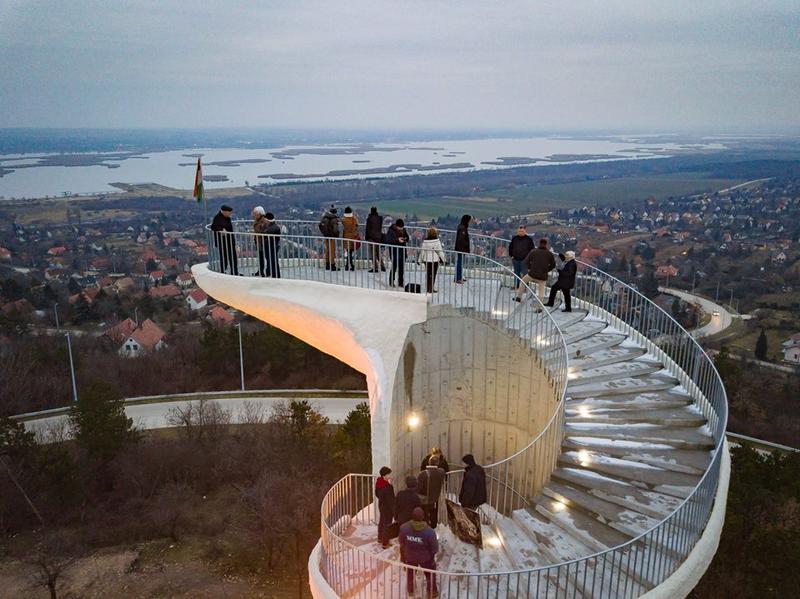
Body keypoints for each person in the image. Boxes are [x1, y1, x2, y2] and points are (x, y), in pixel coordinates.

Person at [398, 507, 439, 598]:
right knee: (430, 574)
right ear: (423, 517)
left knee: (410, 573)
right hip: (426, 558)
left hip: (410, 557)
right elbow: (435, 549)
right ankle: (432, 591)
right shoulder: (430, 532)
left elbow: (401, 542)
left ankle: (410, 589)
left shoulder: (404, 528)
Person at [515, 238, 556, 311]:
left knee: (523, 281)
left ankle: (519, 297)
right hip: (543, 276)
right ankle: (539, 307)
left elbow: (526, 261)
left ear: (539, 243)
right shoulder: (550, 254)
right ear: (546, 244)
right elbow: (553, 265)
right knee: (541, 291)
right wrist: (547, 270)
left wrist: (530, 268)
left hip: (532, 274)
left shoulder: (533, 251)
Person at [416, 455, 445, 528]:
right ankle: (433, 531)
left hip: (425, 500)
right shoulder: (441, 472)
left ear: (429, 463)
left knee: (425, 518)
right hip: (435, 500)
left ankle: (425, 532)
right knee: (433, 517)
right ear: (437, 463)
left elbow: (417, 489)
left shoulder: (423, 474)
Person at [211, 204, 238, 275]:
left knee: (233, 258)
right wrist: (221, 229)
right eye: (229, 213)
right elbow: (213, 227)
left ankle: (235, 272)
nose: (230, 214)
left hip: (230, 241)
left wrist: (234, 243)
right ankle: (223, 272)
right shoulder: (217, 218)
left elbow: (231, 230)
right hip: (222, 242)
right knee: (224, 258)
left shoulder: (228, 218)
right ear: (225, 212)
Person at [417, 228, 446, 293]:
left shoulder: (425, 241)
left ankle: (428, 288)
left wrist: (419, 260)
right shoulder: (437, 241)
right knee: (433, 274)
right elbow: (440, 252)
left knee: (428, 274)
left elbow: (422, 251)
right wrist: (444, 260)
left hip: (426, 260)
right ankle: (431, 288)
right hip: (435, 260)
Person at [375, 466, 395, 549]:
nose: (390, 475)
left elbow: (377, 494)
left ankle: (380, 538)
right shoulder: (388, 487)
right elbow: (391, 500)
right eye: (389, 474)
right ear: (385, 475)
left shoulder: (378, 483)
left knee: (382, 521)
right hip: (387, 508)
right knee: (387, 524)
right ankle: (385, 542)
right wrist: (394, 510)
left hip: (381, 505)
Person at [385, 218, 408, 288]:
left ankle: (400, 282)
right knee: (394, 267)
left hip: (402, 251)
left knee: (401, 268)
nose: (401, 229)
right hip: (394, 252)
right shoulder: (391, 231)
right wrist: (397, 240)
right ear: (397, 226)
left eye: (402, 227)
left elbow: (407, 237)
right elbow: (388, 240)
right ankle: (391, 282)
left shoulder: (404, 230)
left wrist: (406, 239)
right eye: (400, 227)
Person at [319, 205, 340, 271]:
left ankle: (327, 265)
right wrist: (337, 235)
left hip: (326, 236)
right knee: (332, 251)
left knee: (327, 250)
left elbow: (320, 225)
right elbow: (335, 230)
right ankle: (332, 265)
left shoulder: (325, 217)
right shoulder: (334, 219)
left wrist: (324, 233)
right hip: (332, 237)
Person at [365, 206, 386, 272]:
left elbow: (368, 229)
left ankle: (375, 268)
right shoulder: (380, 218)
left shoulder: (369, 219)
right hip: (378, 237)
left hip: (371, 238)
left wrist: (367, 237)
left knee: (373, 254)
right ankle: (382, 266)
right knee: (378, 253)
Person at [454, 214, 472, 284]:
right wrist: (465, 247)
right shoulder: (462, 228)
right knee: (460, 263)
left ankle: (459, 277)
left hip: (460, 249)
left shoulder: (462, 227)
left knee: (460, 263)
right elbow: (461, 240)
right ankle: (458, 278)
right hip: (461, 249)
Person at [252, 206, 269, 277]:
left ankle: (267, 272)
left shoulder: (264, 221)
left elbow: (264, 231)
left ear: (260, 214)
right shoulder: (258, 220)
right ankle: (261, 271)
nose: (254, 215)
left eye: (255, 213)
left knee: (267, 258)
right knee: (261, 258)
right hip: (259, 242)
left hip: (264, 242)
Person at [263, 212, 281, 278]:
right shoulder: (275, 227)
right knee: (273, 262)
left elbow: (267, 239)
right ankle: (274, 275)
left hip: (270, 247)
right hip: (273, 247)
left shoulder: (270, 229)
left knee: (272, 262)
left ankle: (274, 275)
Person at [341, 206, 360, 271]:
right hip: (353, 238)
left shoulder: (344, 220)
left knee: (348, 252)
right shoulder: (354, 219)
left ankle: (348, 265)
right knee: (350, 252)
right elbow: (356, 227)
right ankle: (350, 265)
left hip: (346, 238)